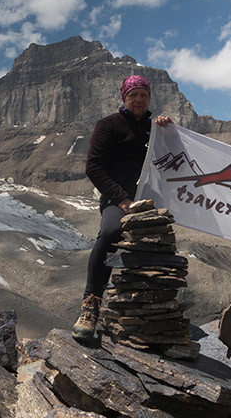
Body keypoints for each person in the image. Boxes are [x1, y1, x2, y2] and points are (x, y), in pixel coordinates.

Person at [72, 75, 173, 344]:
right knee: (110, 232)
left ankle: (153, 315)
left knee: (161, 247)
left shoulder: (155, 129)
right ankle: (90, 305)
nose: (139, 99)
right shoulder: (109, 125)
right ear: (124, 98)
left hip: (151, 201)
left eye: (143, 95)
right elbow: (94, 167)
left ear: (149, 98)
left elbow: (178, 159)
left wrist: (169, 130)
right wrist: (121, 199)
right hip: (118, 201)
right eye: (133, 95)